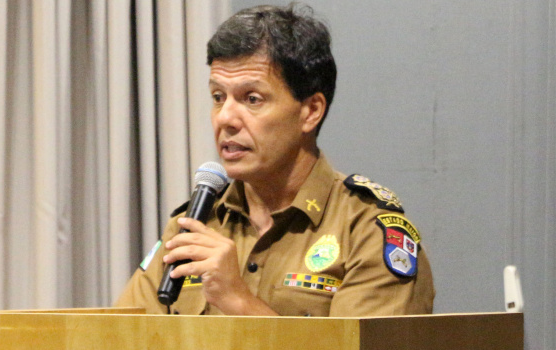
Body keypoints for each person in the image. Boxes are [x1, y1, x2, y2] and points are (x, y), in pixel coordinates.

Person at [116, 3, 434, 316]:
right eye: (218, 97)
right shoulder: (193, 226)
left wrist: (240, 302)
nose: (225, 118)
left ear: (310, 111)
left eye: (252, 99)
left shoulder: (366, 231)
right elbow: (117, 345)